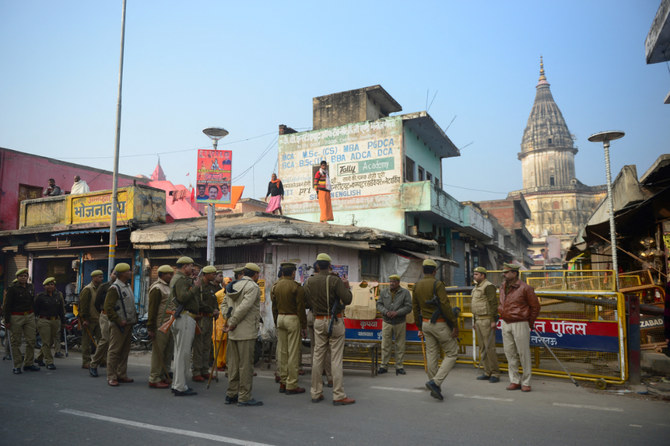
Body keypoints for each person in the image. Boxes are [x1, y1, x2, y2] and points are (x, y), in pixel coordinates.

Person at [304, 253, 354, 405]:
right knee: (336, 359)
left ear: (317, 266)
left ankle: (315, 392)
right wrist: (346, 286)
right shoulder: (334, 280)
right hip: (335, 321)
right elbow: (348, 299)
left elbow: (306, 303)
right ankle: (338, 394)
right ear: (330, 266)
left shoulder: (309, 281)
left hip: (318, 321)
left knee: (318, 357)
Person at [412, 259, 459, 401]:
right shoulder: (437, 284)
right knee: (452, 353)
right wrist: (454, 324)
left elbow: (415, 308)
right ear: (434, 271)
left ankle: (434, 385)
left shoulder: (416, 285)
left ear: (423, 270)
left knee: (432, 354)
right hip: (439, 324)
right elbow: (445, 305)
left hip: (425, 324)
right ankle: (435, 382)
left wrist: (419, 326)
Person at [223, 263, 263, 406]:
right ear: (255, 274)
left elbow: (224, 305)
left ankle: (231, 394)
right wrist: (232, 322)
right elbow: (244, 307)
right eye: (258, 274)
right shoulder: (252, 287)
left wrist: (228, 321)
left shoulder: (233, 285)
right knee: (245, 366)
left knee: (233, 365)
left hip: (233, 332)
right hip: (245, 332)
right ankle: (244, 396)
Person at [499, 262, 540, 392]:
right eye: (504, 272)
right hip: (505, 322)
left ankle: (526, 382)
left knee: (524, 354)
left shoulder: (525, 288)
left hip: (520, 323)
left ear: (514, 273)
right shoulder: (503, 286)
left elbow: (535, 307)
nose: (504, 275)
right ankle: (514, 380)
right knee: (510, 353)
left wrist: (530, 322)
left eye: (506, 272)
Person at [272, 262, 307, 394]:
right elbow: (300, 309)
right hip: (293, 318)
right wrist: (303, 326)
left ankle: (283, 381)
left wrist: (276, 321)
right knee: (293, 353)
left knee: (282, 351)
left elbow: (273, 307)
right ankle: (291, 384)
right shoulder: (296, 287)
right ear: (293, 273)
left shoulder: (275, 286)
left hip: (280, 318)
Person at [168, 256, 200, 396]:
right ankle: (180, 386)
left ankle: (177, 384)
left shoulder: (180, 279)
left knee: (179, 353)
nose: (192, 268)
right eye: (190, 265)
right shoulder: (180, 280)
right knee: (184, 354)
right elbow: (183, 297)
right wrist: (195, 287)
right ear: (185, 266)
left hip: (182, 318)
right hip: (184, 317)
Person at [104, 263, 138, 387]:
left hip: (128, 323)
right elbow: (108, 308)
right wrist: (119, 321)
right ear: (122, 273)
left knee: (125, 351)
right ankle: (111, 376)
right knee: (114, 351)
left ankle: (121, 374)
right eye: (128, 271)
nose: (130, 272)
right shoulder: (115, 288)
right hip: (119, 325)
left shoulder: (127, 286)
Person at [4, 268, 39, 374]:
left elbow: (33, 301)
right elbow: (7, 305)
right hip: (16, 316)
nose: (23, 278)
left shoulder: (30, 287)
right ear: (17, 278)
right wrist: (7, 320)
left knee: (31, 340)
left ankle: (29, 363)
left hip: (29, 315)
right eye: (21, 276)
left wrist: (34, 315)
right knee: (16, 342)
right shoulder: (12, 289)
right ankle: (17, 365)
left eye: (25, 276)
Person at [376, 274, 412, 375]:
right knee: (385, 345)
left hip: (400, 322)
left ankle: (399, 366)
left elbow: (408, 307)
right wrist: (386, 312)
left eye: (394, 281)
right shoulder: (384, 292)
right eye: (390, 281)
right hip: (386, 322)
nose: (391, 283)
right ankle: (383, 365)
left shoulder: (405, 293)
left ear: (398, 283)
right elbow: (379, 304)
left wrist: (397, 313)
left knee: (400, 345)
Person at [147, 265, 175, 389]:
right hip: (159, 324)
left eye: (171, 273)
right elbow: (152, 309)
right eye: (168, 274)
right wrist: (151, 328)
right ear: (161, 275)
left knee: (168, 351)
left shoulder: (168, 287)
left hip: (169, 323)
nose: (170, 276)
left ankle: (164, 374)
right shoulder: (157, 288)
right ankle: (154, 378)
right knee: (158, 352)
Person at [471, 266, 500, 383]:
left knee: (490, 348)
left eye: (477, 274)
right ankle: (487, 371)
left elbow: (493, 303)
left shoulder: (488, 286)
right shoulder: (476, 287)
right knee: (482, 347)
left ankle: (495, 373)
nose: (474, 276)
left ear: (483, 275)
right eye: (474, 274)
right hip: (478, 320)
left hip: (487, 319)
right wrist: (474, 321)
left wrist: (493, 320)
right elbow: (475, 305)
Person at [305, 262, 332, 387]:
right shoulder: (328, 280)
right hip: (324, 317)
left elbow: (304, 300)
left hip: (311, 315)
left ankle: (316, 375)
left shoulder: (309, 281)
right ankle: (330, 376)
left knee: (315, 348)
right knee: (326, 349)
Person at [191, 265, 219, 381]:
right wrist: (211, 310)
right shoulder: (199, 286)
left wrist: (216, 310)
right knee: (198, 346)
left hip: (209, 318)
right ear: (206, 274)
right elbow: (198, 302)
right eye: (212, 274)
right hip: (201, 318)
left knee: (207, 345)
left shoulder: (212, 287)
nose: (214, 276)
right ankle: (196, 371)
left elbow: (215, 301)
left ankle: (204, 370)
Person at [34, 277, 66, 370]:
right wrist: (35, 323)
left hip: (55, 320)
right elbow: (35, 310)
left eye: (52, 284)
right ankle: (49, 361)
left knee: (51, 341)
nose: (50, 286)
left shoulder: (58, 296)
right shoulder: (40, 296)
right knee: (46, 341)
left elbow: (61, 310)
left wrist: (63, 322)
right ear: (44, 286)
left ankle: (39, 358)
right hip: (44, 320)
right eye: (48, 285)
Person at [89, 271, 116, 377]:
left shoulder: (123, 287)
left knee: (115, 343)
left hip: (117, 318)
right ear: (111, 275)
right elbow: (97, 303)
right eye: (114, 273)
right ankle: (94, 363)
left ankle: (114, 368)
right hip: (105, 316)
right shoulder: (104, 287)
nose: (115, 275)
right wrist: (103, 312)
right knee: (105, 340)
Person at [78, 270, 104, 369]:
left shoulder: (101, 289)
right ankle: (86, 361)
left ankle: (101, 360)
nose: (101, 279)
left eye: (101, 277)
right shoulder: (87, 289)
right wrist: (84, 319)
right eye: (99, 277)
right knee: (87, 342)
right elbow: (83, 306)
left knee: (102, 341)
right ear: (93, 278)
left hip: (99, 319)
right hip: (89, 320)